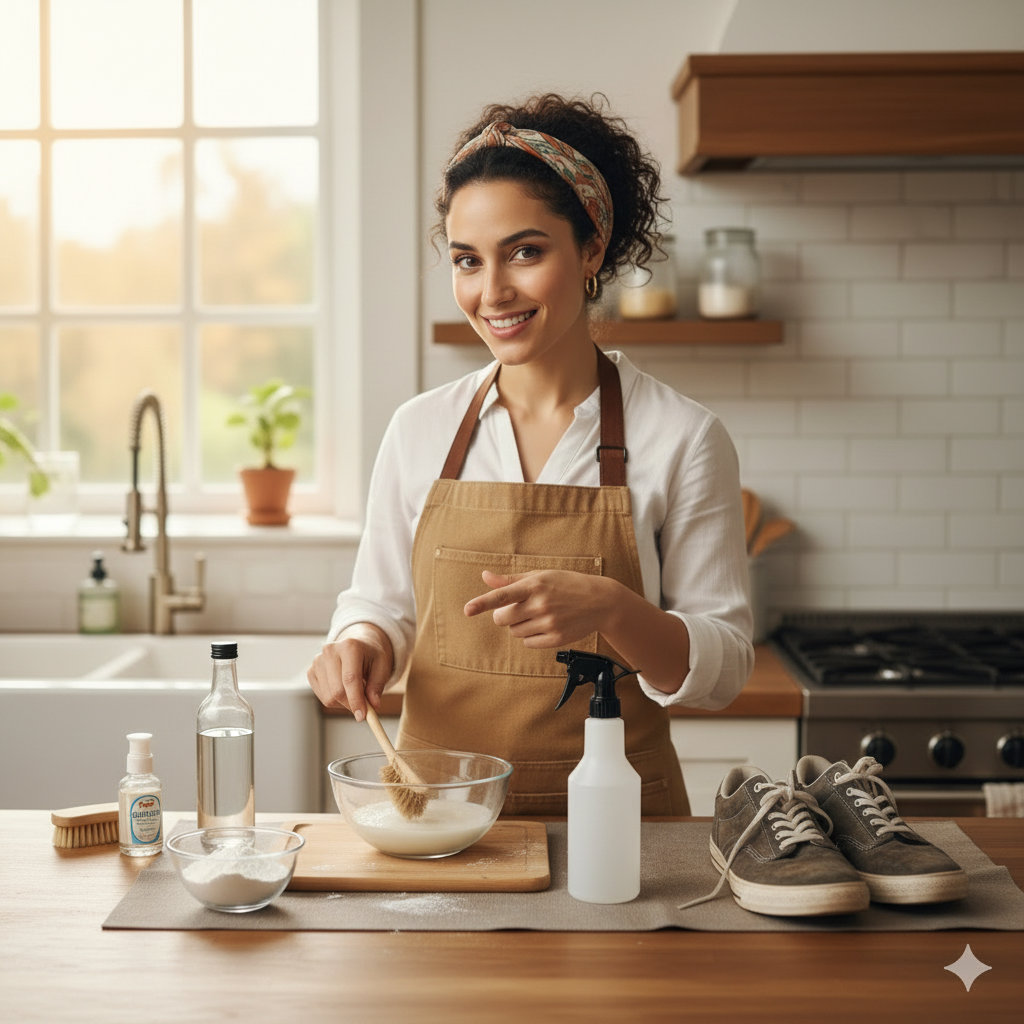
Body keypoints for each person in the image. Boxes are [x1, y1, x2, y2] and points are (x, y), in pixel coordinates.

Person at [307, 93, 754, 815]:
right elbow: (380, 604)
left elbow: (725, 666)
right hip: (442, 822)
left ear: (591, 251)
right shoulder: (419, 430)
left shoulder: (683, 437)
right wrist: (360, 643)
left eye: (525, 251)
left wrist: (614, 610)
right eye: (466, 261)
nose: (492, 293)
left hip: (622, 832)